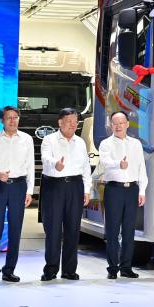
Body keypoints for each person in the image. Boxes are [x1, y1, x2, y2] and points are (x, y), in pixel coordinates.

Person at [0, 105, 35, 283]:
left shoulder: (26, 139)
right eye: (9, 117)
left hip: (19, 186)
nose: (13, 121)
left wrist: (29, 191)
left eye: (15, 117)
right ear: (2, 120)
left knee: (15, 229)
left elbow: (30, 167)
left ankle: (9, 270)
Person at [40, 107, 92, 281]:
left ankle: (69, 270)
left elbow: (85, 167)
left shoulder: (80, 142)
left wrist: (86, 190)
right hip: (54, 186)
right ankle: (51, 270)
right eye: (69, 121)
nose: (73, 125)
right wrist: (56, 164)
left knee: (73, 230)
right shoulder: (49, 139)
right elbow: (45, 158)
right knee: (53, 229)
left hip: (75, 187)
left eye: (75, 122)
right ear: (60, 122)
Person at [98, 111, 148, 279]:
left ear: (127, 124)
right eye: (115, 123)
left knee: (129, 231)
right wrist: (118, 164)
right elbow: (104, 162)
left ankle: (126, 267)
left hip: (132, 190)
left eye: (121, 123)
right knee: (112, 231)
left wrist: (142, 190)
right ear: (110, 125)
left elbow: (141, 168)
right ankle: (112, 268)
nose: (118, 126)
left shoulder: (136, 144)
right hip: (114, 189)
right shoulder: (106, 144)